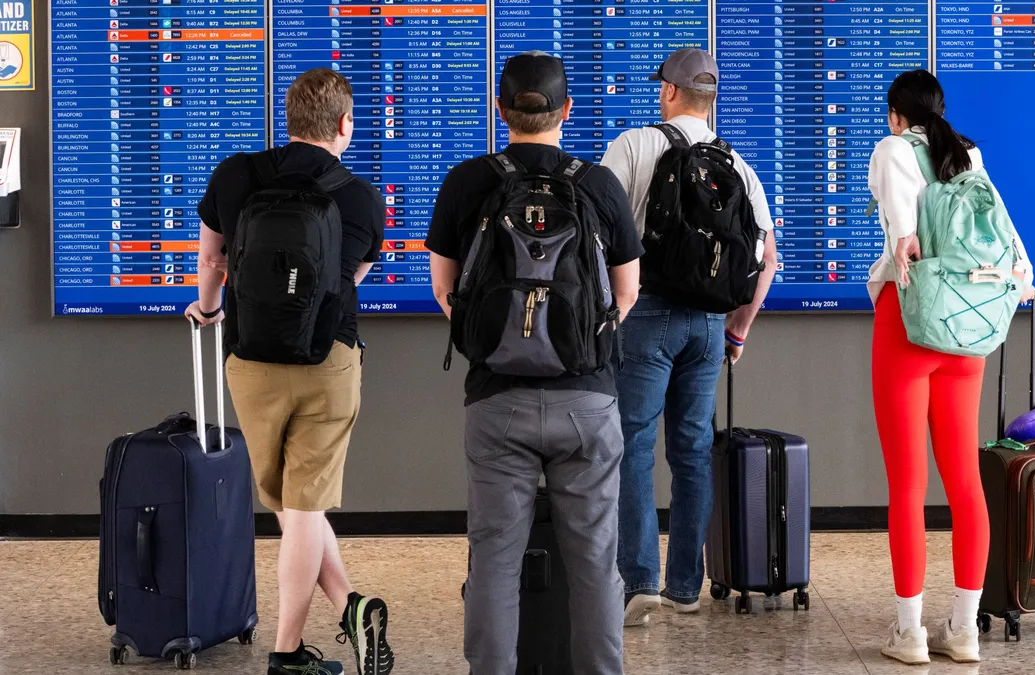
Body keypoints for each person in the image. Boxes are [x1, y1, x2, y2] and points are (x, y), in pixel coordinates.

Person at [426, 51, 642, 675]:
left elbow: (445, 291)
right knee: (597, 561)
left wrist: (498, 341)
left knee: (494, 559)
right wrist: (581, 341)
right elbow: (625, 293)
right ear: (566, 110)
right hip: (589, 401)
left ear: (501, 110)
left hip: (495, 402)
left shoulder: (468, 181)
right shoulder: (598, 184)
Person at [185, 68, 392, 675]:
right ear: (344, 125)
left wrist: (210, 309)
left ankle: (350, 606)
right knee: (303, 506)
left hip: (249, 359)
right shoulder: (359, 196)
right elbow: (348, 281)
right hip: (327, 360)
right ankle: (287, 654)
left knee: (288, 502)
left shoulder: (236, 175)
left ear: (289, 119)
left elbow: (211, 256)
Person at [600, 47, 778, 626]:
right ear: (712, 99)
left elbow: (597, 237)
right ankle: (684, 586)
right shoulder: (738, 165)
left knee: (632, 447)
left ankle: (639, 582)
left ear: (671, 92)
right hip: (708, 326)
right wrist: (739, 330)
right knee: (693, 451)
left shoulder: (633, 146)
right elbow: (767, 258)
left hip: (645, 314)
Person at [868, 69, 1035, 665]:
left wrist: (907, 241)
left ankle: (910, 633)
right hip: (968, 330)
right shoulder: (968, 153)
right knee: (965, 481)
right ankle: (964, 628)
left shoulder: (891, 149)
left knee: (908, 486)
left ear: (896, 115)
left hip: (910, 324)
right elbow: (1010, 246)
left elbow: (902, 239)